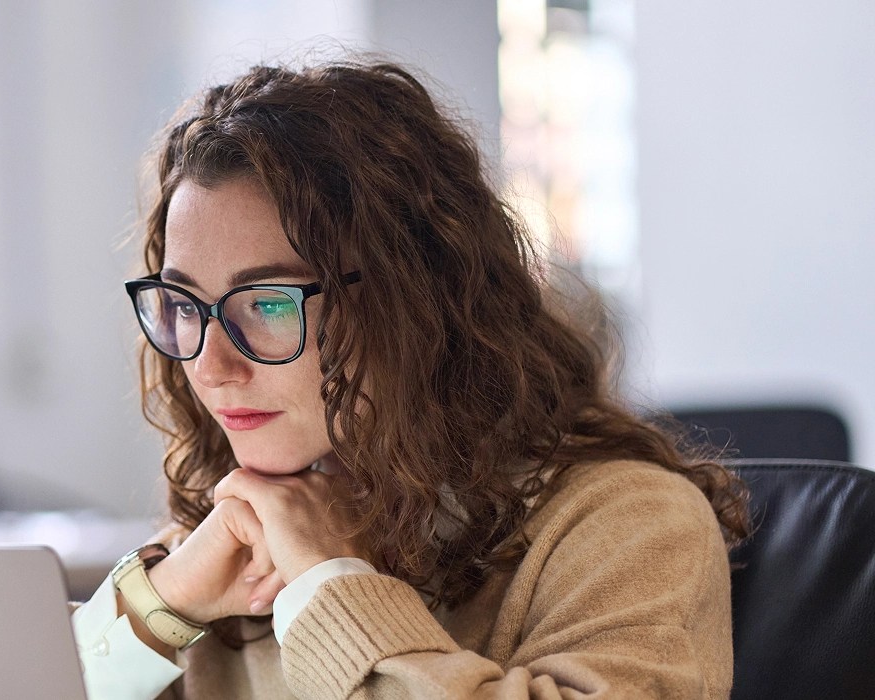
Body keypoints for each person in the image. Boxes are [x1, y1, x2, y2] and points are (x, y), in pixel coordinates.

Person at [71, 56, 749, 699]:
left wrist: (327, 582)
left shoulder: (632, 525)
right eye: (185, 307)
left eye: (269, 305)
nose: (211, 368)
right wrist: (158, 608)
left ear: (414, 303)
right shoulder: (235, 524)